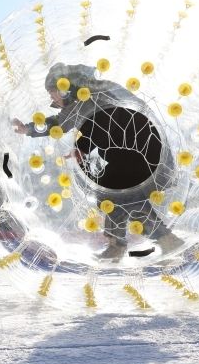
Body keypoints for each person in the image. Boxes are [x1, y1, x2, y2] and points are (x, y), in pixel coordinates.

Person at [13, 62, 171, 261]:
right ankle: (121, 245)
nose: (51, 98)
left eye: (52, 92)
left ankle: (160, 241)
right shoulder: (88, 98)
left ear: (64, 89)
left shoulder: (88, 99)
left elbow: (67, 124)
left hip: (133, 153)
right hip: (128, 153)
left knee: (124, 200)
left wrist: (30, 130)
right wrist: (83, 149)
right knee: (113, 200)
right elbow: (85, 127)